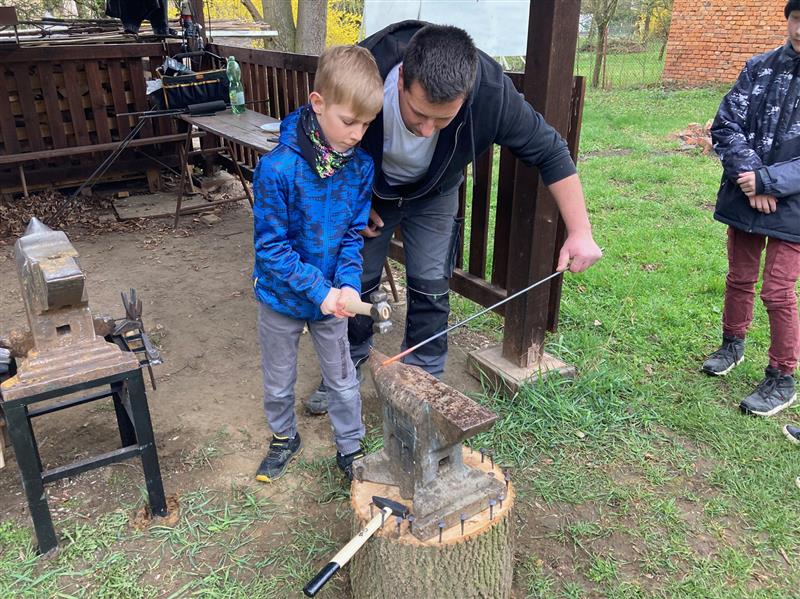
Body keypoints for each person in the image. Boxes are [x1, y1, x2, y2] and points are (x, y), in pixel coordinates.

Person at [304, 21, 603, 415]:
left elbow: (551, 152)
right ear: (400, 80)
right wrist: (347, 200)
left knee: (431, 283)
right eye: (419, 114)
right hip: (368, 193)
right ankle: (344, 368)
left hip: (436, 192)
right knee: (355, 280)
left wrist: (580, 231)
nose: (428, 130)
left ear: (467, 94)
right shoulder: (364, 69)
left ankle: (423, 380)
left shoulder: (491, 93)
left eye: (442, 120)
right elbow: (313, 135)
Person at [251, 45, 384, 482]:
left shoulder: (360, 168)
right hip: (280, 299)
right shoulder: (277, 169)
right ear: (318, 103)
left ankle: (351, 447)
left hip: (333, 302)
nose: (358, 134)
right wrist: (319, 290)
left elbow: (351, 236)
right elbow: (271, 250)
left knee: (343, 379)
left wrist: (347, 285)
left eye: (367, 124)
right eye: (349, 121)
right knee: (278, 379)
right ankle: (283, 437)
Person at [702, 1, 800, 417]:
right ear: (788, 19)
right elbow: (725, 124)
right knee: (739, 277)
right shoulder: (758, 68)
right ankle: (732, 345)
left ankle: (782, 376)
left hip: (793, 207)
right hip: (746, 192)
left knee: (778, 291)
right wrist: (752, 178)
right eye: (797, 18)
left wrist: (768, 182)